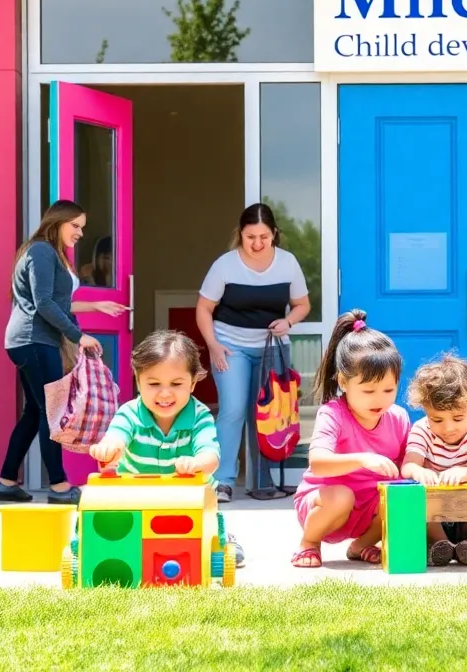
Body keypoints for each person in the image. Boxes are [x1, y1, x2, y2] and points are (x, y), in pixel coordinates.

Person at [0, 200, 125, 504]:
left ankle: (6, 482)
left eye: (82, 227)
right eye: (75, 225)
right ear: (57, 222)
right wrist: (79, 336)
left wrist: (95, 305)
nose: (80, 233)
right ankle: (59, 486)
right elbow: (43, 303)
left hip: (31, 341)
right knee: (52, 413)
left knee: (34, 412)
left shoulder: (48, 252)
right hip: (34, 341)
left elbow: (56, 303)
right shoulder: (42, 251)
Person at [88, 330, 243, 567]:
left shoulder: (199, 416)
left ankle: (220, 536)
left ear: (192, 383)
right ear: (138, 381)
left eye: (176, 384)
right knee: (118, 527)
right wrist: (109, 448)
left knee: (199, 527)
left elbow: (211, 456)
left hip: (186, 499)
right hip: (137, 499)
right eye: (153, 384)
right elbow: (116, 436)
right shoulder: (129, 413)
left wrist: (197, 463)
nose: (165, 393)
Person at [196, 203, 311, 503]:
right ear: (240, 234)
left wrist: (288, 321)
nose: (257, 243)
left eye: (264, 237)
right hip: (230, 346)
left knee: (266, 415)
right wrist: (213, 345)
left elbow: (302, 305)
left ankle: (262, 480)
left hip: (272, 348)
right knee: (233, 410)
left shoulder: (287, 263)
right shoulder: (225, 265)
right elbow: (204, 309)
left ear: (274, 234)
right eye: (250, 237)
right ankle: (222, 481)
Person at [291, 310, 407, 568]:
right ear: (344, 382)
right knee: (343, 496)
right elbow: (318, 463)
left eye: (389, 389)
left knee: (399, 496)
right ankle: (309, 543)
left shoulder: (398, 418)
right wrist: (363, 459)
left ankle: (362, 544)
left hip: (369, 507)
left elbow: (405, 466)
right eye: (368, 390)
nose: (379, 399)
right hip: (326, 503)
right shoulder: (333, 414)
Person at [400, 353, 467, 567]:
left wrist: (463, 472)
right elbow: (408, 466)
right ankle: (440, 545)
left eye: (458, 418)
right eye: (437, 419)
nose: (448, 428)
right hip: (433, 517)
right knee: (415, 498)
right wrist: (418, 471)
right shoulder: (421, 429)